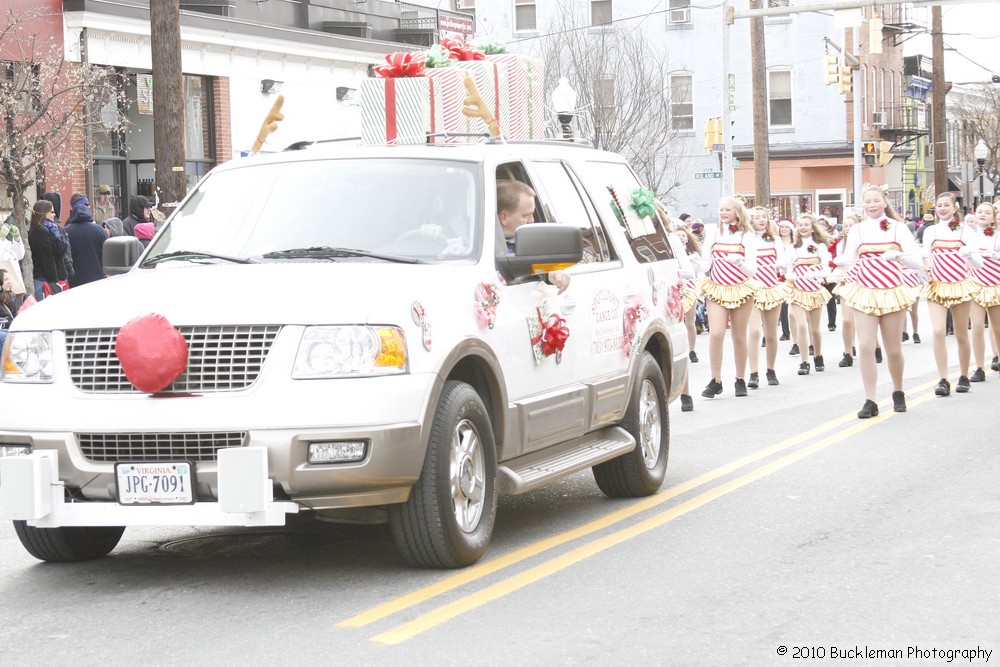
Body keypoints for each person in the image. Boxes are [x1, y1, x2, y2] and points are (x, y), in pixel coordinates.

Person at [835, 184, 922, 418]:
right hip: (865, 291)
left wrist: (900, 255)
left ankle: (898, 390)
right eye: (868, 201)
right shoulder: (858, 230)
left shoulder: (898, 228)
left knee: (893, 349)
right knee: (865, 346)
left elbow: (916, 260)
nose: (872, 205)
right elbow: (850, 260)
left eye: (876, 200)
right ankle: (870, 399)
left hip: (892, 290)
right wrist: (838, 262)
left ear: (884, 202)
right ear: (863, 204)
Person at [921, 192, 980, 396]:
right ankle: (943, 378)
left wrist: (969, 255)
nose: (942, 208)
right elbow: (925, 257)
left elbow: (977, 263)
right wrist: (925, 266)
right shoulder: (931, 231)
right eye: (939, 205)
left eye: (946, 205)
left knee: (961, 332)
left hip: (960, 284)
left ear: (955, 208)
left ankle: (963, 375)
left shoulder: (965, 231)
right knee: (938, 331)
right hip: (937, 285)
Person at [698, 196, 758, 399]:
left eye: (727, 210)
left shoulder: (747, 236)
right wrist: (695, 264)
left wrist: (739, 262)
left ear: (737, 212)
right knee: (715, 334)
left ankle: (740, 378)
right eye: (721, 209)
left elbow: (752, 270)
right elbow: (705, 264)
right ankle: (715, 380)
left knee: (739, 335)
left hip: (741, 288)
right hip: (717, 288)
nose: (723, 213)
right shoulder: (713, 233)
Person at [496, 180, 570, 293]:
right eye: (525, 215)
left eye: (532, 214)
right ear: (504, 218)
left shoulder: (531, 243)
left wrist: (551, 272)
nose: (532, 220)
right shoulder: (472, 247)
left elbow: (537, 261)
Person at [746, 206, 790, 388]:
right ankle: (753, 373)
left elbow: (783, 261)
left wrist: (781, 264)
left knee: (771, 333)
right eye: (757, 217)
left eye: (764, 217)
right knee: (755, 331)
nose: (761, 220)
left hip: (771, 288)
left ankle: (770, 370)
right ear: (751, 220)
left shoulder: (775, 239)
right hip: (753, 289)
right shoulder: (747, 238)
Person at [787, 213, 833, 375]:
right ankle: (804, 361)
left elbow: (827, 267)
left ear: (813, 228)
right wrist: (789, 275)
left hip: (814, 290)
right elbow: (788, 268)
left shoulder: (820, 246)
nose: (803, 227)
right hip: (798, 290)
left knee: (814, 328)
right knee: (801, 325)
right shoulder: (793, 247)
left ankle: (818, 356)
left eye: (806, 224)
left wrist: (818, 274)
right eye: (800, 225)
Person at [966, 202, 999, 383]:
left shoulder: (997, 235)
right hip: (975, 285)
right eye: (980, 212)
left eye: (988, 212)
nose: (983, 215)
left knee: (997, 327)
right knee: (977, 327)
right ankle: (979, 367)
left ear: (993, 217)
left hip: (995, 286)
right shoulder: (968, 236)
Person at [672, 224, 702, 412]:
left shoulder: (672, 239)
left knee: (683, 330)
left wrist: (669, 269)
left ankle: (685, 392)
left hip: (679, 289)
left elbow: (689, 271)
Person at [65, 193, 108, 288]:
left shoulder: (66, 231)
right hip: (97, 279)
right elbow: (107, 254)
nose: (89, 207)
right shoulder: (99, 230)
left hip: (75, 281)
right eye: (87, 205)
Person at [27, 200, 64, 300]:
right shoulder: (40, 231)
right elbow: (46, 257)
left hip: (46, 278)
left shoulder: (51, 229)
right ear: (43, 213)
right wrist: (53, 279)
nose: (54, 214)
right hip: (44, 279)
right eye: (51, 212)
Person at [0, 211, 27, 306]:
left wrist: (17, 239)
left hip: (15, 286)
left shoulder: (6, 241)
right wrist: (2, 239)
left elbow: (19, 255)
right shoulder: (2, 242)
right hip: (3, 290)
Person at [0, 268, 18, 347]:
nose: (9, 282)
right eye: (6, 279)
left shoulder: (12, 295)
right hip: (2, 327)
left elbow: (14, 314)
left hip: (8, 326)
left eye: (9, 279)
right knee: (6, 337)